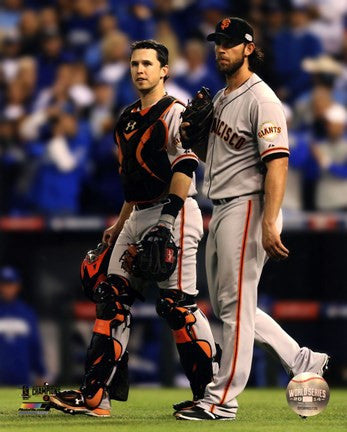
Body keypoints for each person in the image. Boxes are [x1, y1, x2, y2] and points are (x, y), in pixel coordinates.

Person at [49, 40, 218, 417]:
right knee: (111, 297)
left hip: (173, 211)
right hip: (137, 213)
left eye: (147, 63)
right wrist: (119, 223)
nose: (140, 69)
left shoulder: (175, 112)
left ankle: (212, 397)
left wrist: (166, 221)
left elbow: (185, 168)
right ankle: (96, 397)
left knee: (178, 306)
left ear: (164, 71)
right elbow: (132, 181)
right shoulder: (126, 117)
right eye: (134, 64)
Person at [175, 17, 329, 421]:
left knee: (236, 305)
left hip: (248, 205)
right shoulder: (225, 97)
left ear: (247, 48)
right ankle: (302, 358)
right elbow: (220, 159)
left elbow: (277, 162)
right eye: (217, 42)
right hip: (221, 206)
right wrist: (195, 142)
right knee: (232, 305)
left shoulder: (263, 98)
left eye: (228, 43)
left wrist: (269, 220)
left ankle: (223, 398)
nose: (220, 49)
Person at [0, 266, 46, 386]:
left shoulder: (26, 313)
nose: (8, 288)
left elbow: (34, 344)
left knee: (24, 404)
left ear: (17, 286)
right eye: (4, 284)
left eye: (11, 284)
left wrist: (40, 372)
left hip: (22, 378)